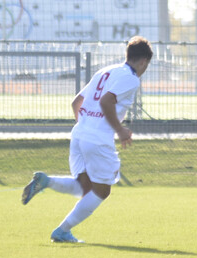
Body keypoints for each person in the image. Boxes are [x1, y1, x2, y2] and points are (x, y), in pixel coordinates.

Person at [21, 36, 153, 243]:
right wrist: (120, 130)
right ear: (144, 61)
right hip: (98, 139)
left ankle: (47, 181)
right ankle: (62, 231)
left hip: (79, 133)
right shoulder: (131, 78)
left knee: (84, 187)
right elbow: (106, 101)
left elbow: (76, 102)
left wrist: (86, 127)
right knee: (101, 191)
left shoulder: (105, 71)